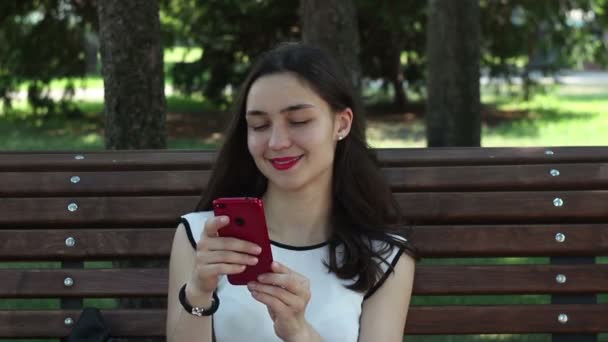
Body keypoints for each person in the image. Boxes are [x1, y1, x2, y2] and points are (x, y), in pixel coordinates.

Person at [166, 42, 416, 342]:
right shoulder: (202, 237)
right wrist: (198, 292)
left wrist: (300, 333)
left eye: (298, 121)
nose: (276, 141)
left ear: (342, 123)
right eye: (259, 125)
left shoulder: (385, 258)